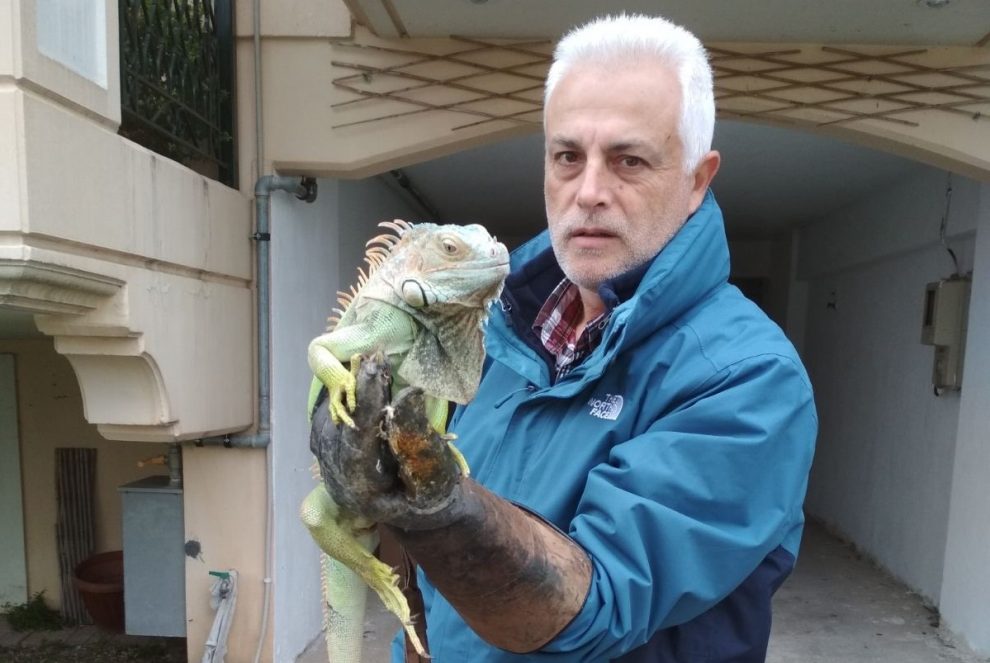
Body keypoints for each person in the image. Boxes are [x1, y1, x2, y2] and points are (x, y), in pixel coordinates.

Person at [316, 12, 817, 662]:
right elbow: (433, 595)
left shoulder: (748, 377)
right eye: (567, 157)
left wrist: (437, 504)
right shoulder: (491, 334)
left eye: (629, 160)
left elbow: (594, 609)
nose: (589, 192)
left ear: (697, 179)